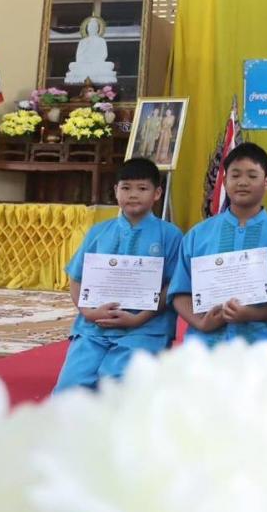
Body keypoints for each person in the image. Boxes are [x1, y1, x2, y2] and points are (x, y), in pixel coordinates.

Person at [53, 158, 182, 391]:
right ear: (115, 191)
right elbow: (76, 278)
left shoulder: (170, 235)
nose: (133, 194)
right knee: (69, 389)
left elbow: (172, 285)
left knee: (118, 386)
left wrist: (139, 319)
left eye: (142, 188)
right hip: (94, 328)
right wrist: (89, 312)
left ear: (157, 193)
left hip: (145, 329)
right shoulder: (98, 232)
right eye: (126, 188)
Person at [168, 143, 267, 356]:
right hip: (206, 346)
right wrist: (201, 323)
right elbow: (180, 292)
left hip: (265, 345)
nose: (242, 182)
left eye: (252, 176)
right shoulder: (198, 235)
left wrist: (253, 314)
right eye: (235, 175)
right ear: (225, 181)